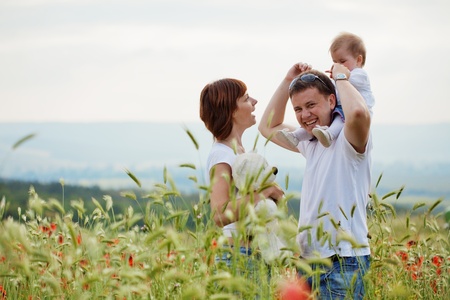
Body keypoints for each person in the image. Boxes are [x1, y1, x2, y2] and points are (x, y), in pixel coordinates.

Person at [258, 63, 372, 299]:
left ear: (332, 101)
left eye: (311, 105)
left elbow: (359, 113)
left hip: (343, 261)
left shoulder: (349, 139)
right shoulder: (310, 143)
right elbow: (267, 126)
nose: (304, 115)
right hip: (307, 263)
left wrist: (341, 77)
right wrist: (287, 79)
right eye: (298, 109)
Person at [199, 78, 284, 295]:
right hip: (238, 259)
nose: (254, 102)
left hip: (251, 256)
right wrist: (265, 192)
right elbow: (219, 213)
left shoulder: (237, 151)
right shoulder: (222, 155)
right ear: (231, 111)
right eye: (246, 98)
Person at [277, 32, 374, 148]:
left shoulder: (360, 74)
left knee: (339, 119)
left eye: (342, 62)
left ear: (358, 60)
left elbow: (357, 110)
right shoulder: (341, 79)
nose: (337, 65)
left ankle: (329, 134)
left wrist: (339, 75)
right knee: (313, 128)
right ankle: (295, 136)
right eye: (335, 62)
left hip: (350, 114)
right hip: (339, 109)